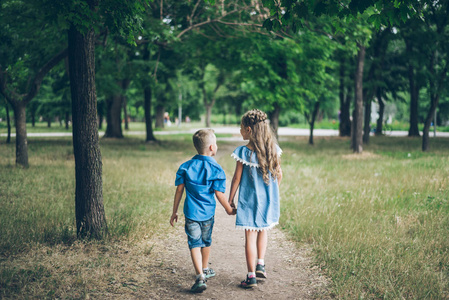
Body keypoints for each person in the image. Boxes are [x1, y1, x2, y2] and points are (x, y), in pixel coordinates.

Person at [170, 129, 236, 293]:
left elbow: (179, 191)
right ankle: (205, 269)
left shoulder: (186, 167)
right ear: (212, 148)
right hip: (207, 214)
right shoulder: (216, 169)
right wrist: (229, 209)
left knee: (194, 243)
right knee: (206, 241)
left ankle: (200, 275)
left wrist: (174, 211)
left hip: (191, 214)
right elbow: (219, 194)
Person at [228, 109, 283, 289]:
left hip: (248, 201)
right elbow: (279, 175)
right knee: (263, 231)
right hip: (267, 201)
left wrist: (230, 199)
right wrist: (273, 193)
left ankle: (251, 276)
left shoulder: (243, 153)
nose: (240, 131)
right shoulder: (273, 149)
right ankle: (261, 263)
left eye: (242, 128)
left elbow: (237, 178)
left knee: (249, 237)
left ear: (249, 129)